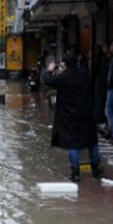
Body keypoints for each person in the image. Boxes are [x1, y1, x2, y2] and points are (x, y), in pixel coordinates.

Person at [43, 54, 101, 183]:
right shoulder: (84, 75)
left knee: (73, 143)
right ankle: (95, 168)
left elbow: (48, 80)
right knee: (91, 141)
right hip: (86, 114)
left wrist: (50, 69)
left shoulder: (64, 78)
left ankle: (75, 172)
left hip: (70, 115)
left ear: (65, 64)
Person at [92, 42, 110, 128]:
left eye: (105, 47)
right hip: (101, 83)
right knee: (100, 101)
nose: (103, 49)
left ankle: (101, 119)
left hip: (103, 84)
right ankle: (100, 119)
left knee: (101, 102)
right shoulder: (103, 58)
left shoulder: (107, 59)